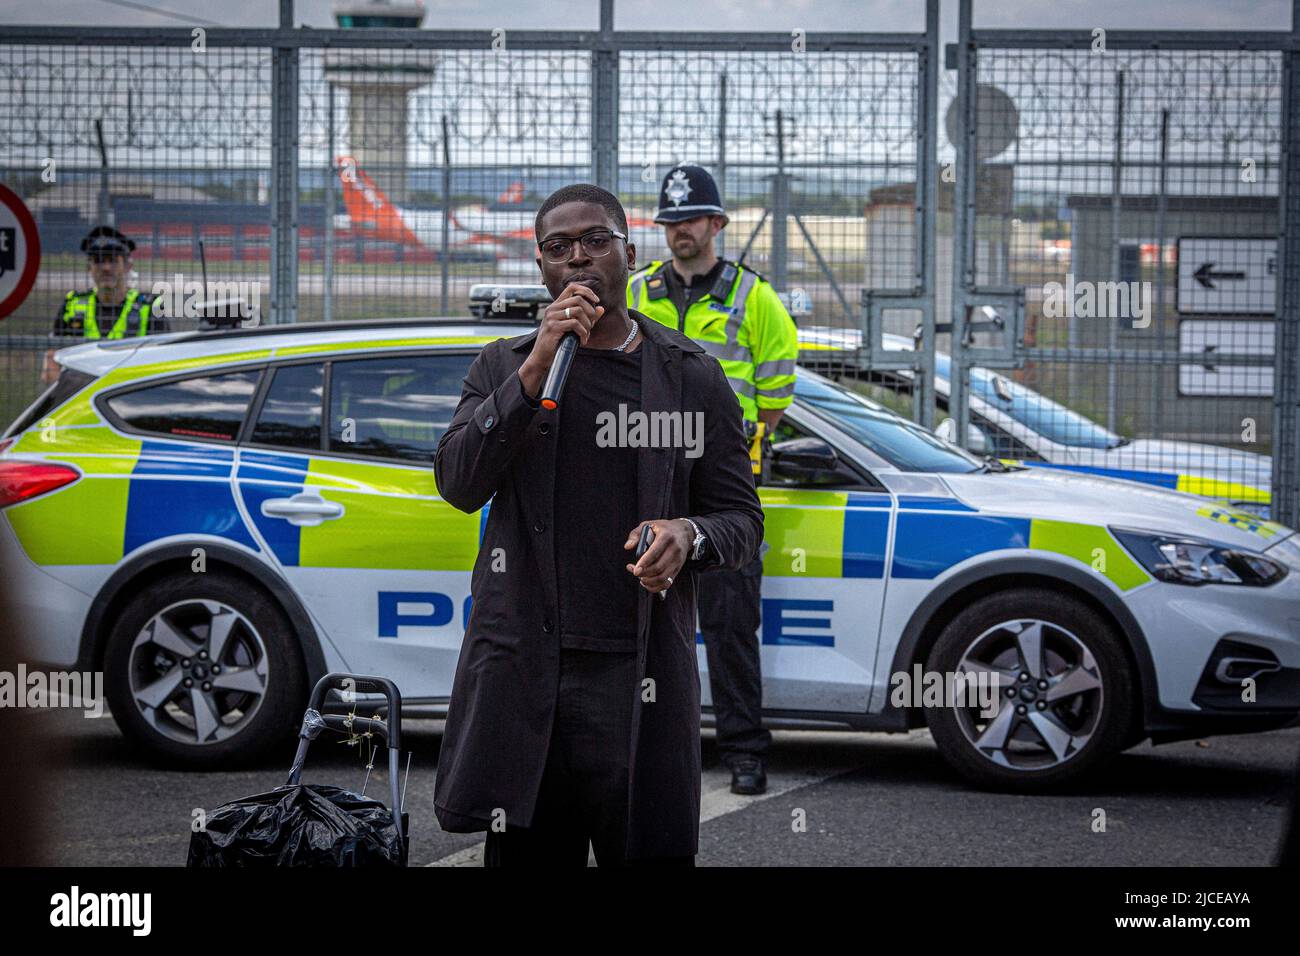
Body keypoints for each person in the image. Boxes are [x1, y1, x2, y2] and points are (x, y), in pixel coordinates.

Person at [433, 183, 763, 866]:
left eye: (594, 241)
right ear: (542, 270)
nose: (578, 258)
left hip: (638, 680)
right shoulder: (503, 365)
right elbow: (459, 483)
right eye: (558, 248)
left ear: (629, 254)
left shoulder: (689, 377)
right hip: (528, 678)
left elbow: (742, 520)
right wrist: (532, 370)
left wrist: (690, 536)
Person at [627, 164, 799, 795]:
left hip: (723, 486)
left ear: (717, 224)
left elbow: (775, 397)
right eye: (670, 223)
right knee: (637, 624)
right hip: (645, 477)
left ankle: (745, 752)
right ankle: (636, 748)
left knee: (730, 627)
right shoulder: (638, 289)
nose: (680, 232)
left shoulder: (756, 299)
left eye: (691, 220)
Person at [44, 226, 167, 382]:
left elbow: (160, 364)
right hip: (79, 395)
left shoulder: (149, 307)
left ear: (128, 266)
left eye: (113, 261)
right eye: (98, 261)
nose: (106, 268)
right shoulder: (72, 305)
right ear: (89, 267)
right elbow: (50, 366)